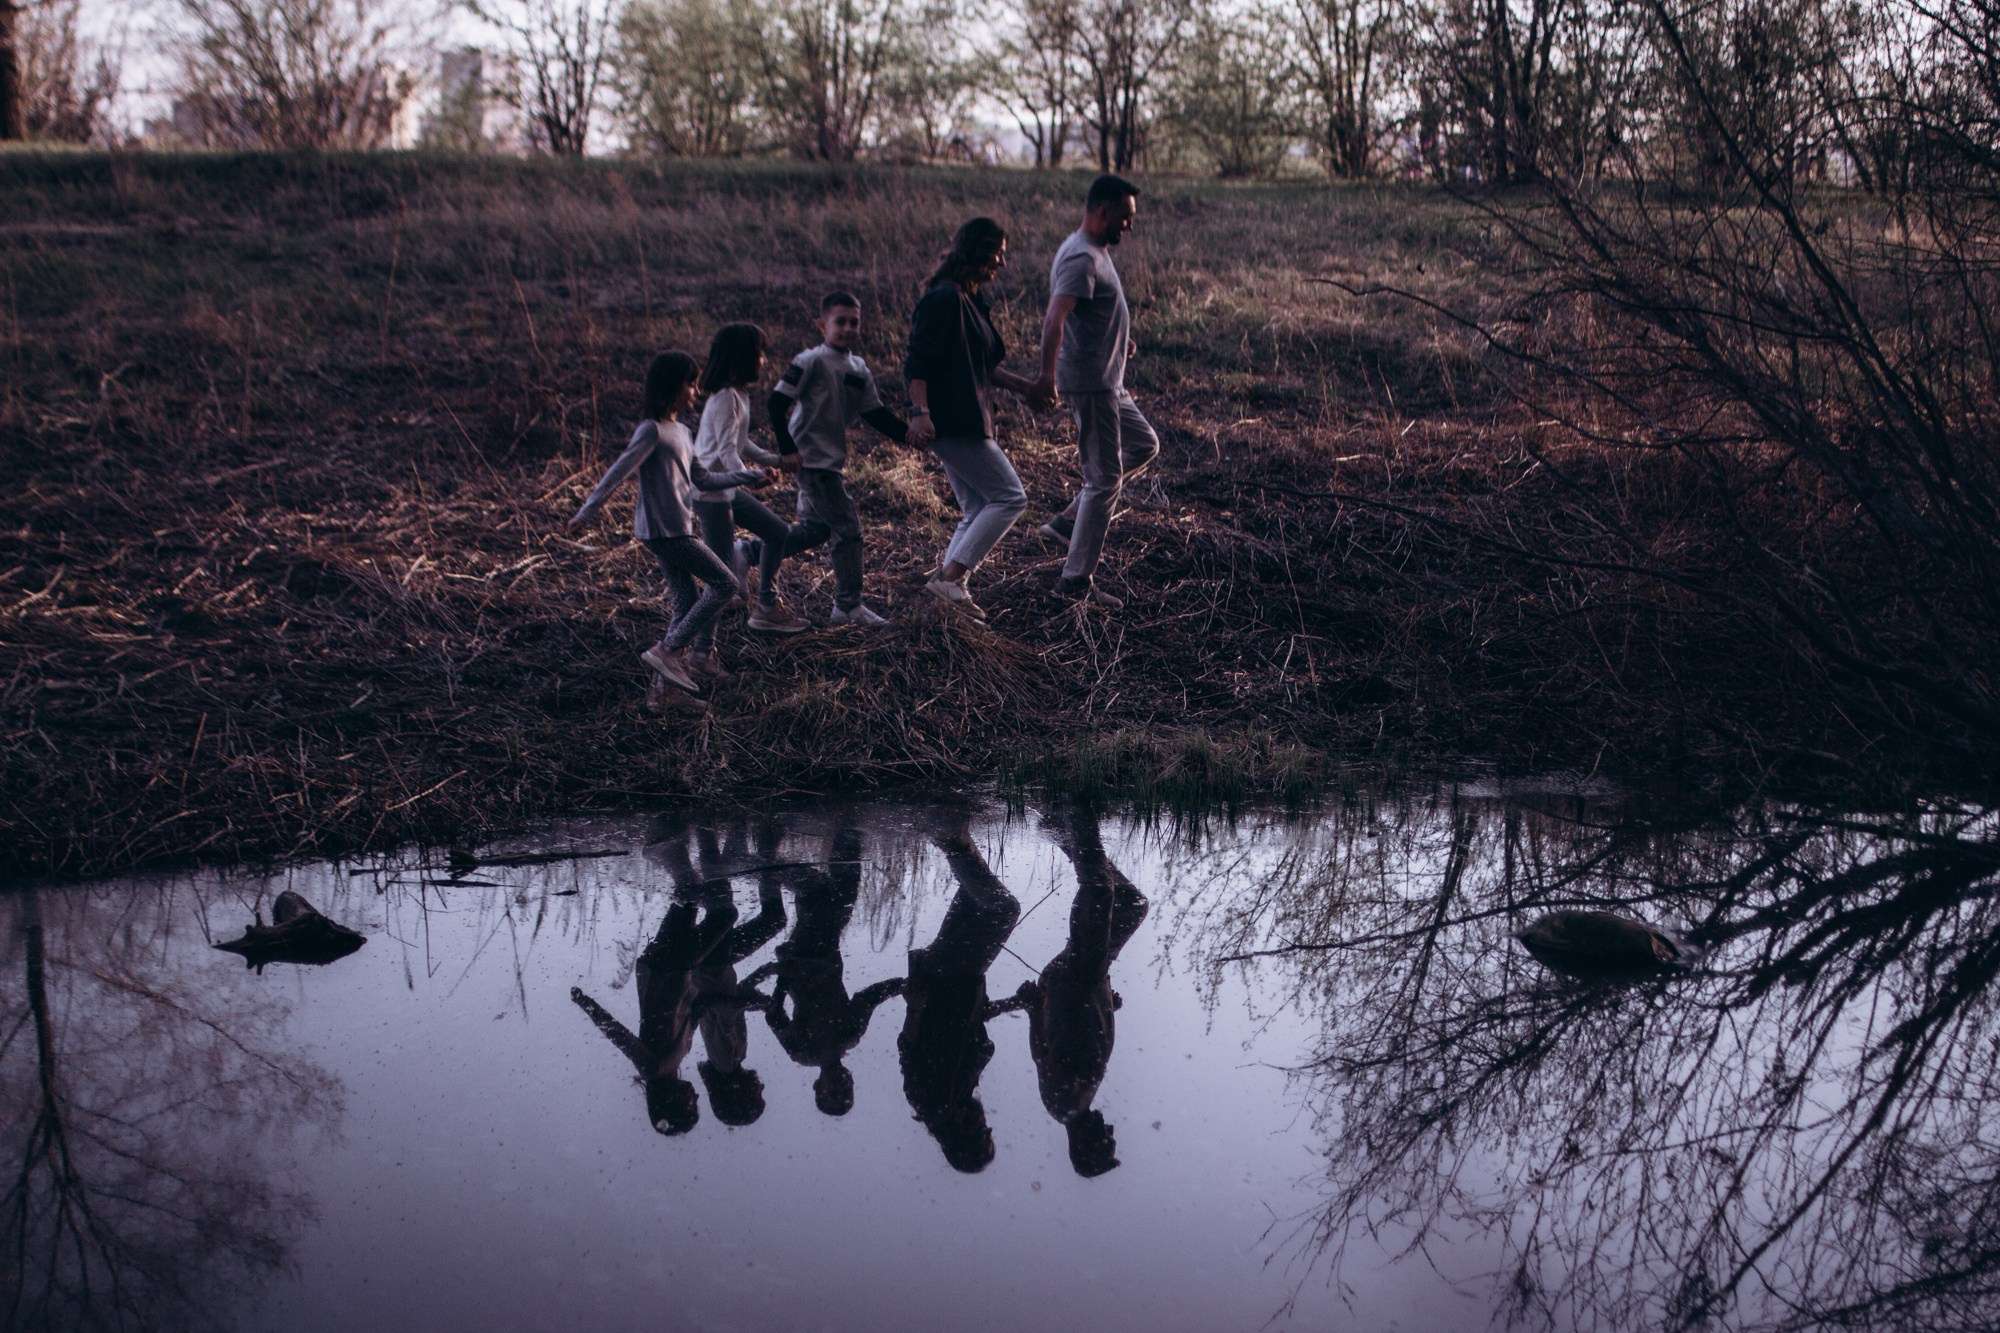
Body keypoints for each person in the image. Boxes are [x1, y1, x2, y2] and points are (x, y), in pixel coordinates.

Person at [568, 351, 771, 710]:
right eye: (689, 383)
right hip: (664, 531)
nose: (695, 391)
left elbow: (703, 477)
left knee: (686, 601)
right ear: (669, 387)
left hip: (676, 526)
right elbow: (619, 470)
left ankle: (664, 694)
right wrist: (588, 510)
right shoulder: (651, 430)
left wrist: (749, 476)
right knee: (724, 583)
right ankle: (669, 650)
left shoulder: (682, 431)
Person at [1032, 174, 1161, 611]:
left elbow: (1092, 312)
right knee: (1104, 479)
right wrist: (1046, 378)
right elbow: (1055, 318)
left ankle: (1069, 521)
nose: (1128, 226)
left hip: (1110, 380)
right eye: (1124, 218)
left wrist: (1118, 339)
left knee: (1143, 445)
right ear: (1102, 211)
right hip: (1092, 384)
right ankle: (1074, 583)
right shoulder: (1080, 257)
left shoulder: (1096, 252)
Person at [904, 218, 1042, 620]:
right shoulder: (943, 298)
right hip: (951, 418)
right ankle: (949, 579)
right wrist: (920, 412)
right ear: (976, 250)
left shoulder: (968, 299)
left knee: (977, 505)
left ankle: (946, 592)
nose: (1001, 260)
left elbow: (983, 366)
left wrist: (1028, 388)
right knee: (1010, 497)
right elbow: (917, 359)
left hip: (967, 416)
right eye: (996, 251)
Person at [1014, 806, 1149, 1177]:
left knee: (1099, 891)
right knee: (1132, 906)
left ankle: (1078, 807)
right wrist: (1107, 1006)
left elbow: (1044, 1055)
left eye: (1106, 1143)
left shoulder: (1065, 1105)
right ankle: (1061, 827)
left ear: (1085, 1147)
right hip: (1088, 981)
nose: (1110, 1133)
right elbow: (1083, 1040)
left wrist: (1033, 1009)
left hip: (1074, 981)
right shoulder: (1078, 1102)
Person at [768, 292, 911, 627]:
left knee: (815, 530)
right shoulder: (810, 360)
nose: (848, 328)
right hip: (812, 460)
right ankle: (847, 607)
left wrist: (909, 436)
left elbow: (874, 413)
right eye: (840, 321)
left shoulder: (858, 367)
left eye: (854, 322)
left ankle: (747, 553)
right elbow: (776, 403)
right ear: (822, 325)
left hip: (830, 460)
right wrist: (788, 449)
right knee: (847, 531)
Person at [746, 822, 905, 1116]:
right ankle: (845, 828)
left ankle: (765, 857)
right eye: (847, 1089)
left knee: (824, 893)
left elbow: (775, 1017)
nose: (841, 1084)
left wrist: (784, 978)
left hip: (805, 959)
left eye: (834, 1091)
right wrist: (901, 985)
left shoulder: (803, 1053)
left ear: (818, 1087)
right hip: (827, 952)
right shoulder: (850, 1035)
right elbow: (867, 998)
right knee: (840, 893)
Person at [897, 817, 1025, 1173]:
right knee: (974, 900)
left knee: (1002, 909)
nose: (986, 1124)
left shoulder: (935, 1104)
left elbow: (908, 1050)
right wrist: (1016, 1005)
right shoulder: (957, 1094)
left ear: (961, 1136)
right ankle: (950, 827)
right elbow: (970, 1025)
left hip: (946, 981)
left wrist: (915, 1009)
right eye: (988, 1131)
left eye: (981, 1133)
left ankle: (950, 836)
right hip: (956, 981)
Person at [570, 889, 742, 1136]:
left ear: (674, 1103)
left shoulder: (653, 1069)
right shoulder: (675, 1059)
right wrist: (743, 1002)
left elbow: (617, 1034)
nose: (695, 1096)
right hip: (671, 969)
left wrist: (585, 1002)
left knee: (723, 913)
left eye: (692, 1104)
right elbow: (699, 1008)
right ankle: (674, 854)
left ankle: (673, 854)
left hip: (666, 970)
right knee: (688, 899)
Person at [691, 324, 811, 675]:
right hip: (711, 494)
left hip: (725, 488)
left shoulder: (737, 395)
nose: (763, 359)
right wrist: (750, 476)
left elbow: (741, 444)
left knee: (776, 531)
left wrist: (773, 461)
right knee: (721, 579)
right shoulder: (726, 397)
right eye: (759, 352)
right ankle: (700, 655)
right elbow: (728, 452)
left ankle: (766, 606)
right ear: (743, 357)